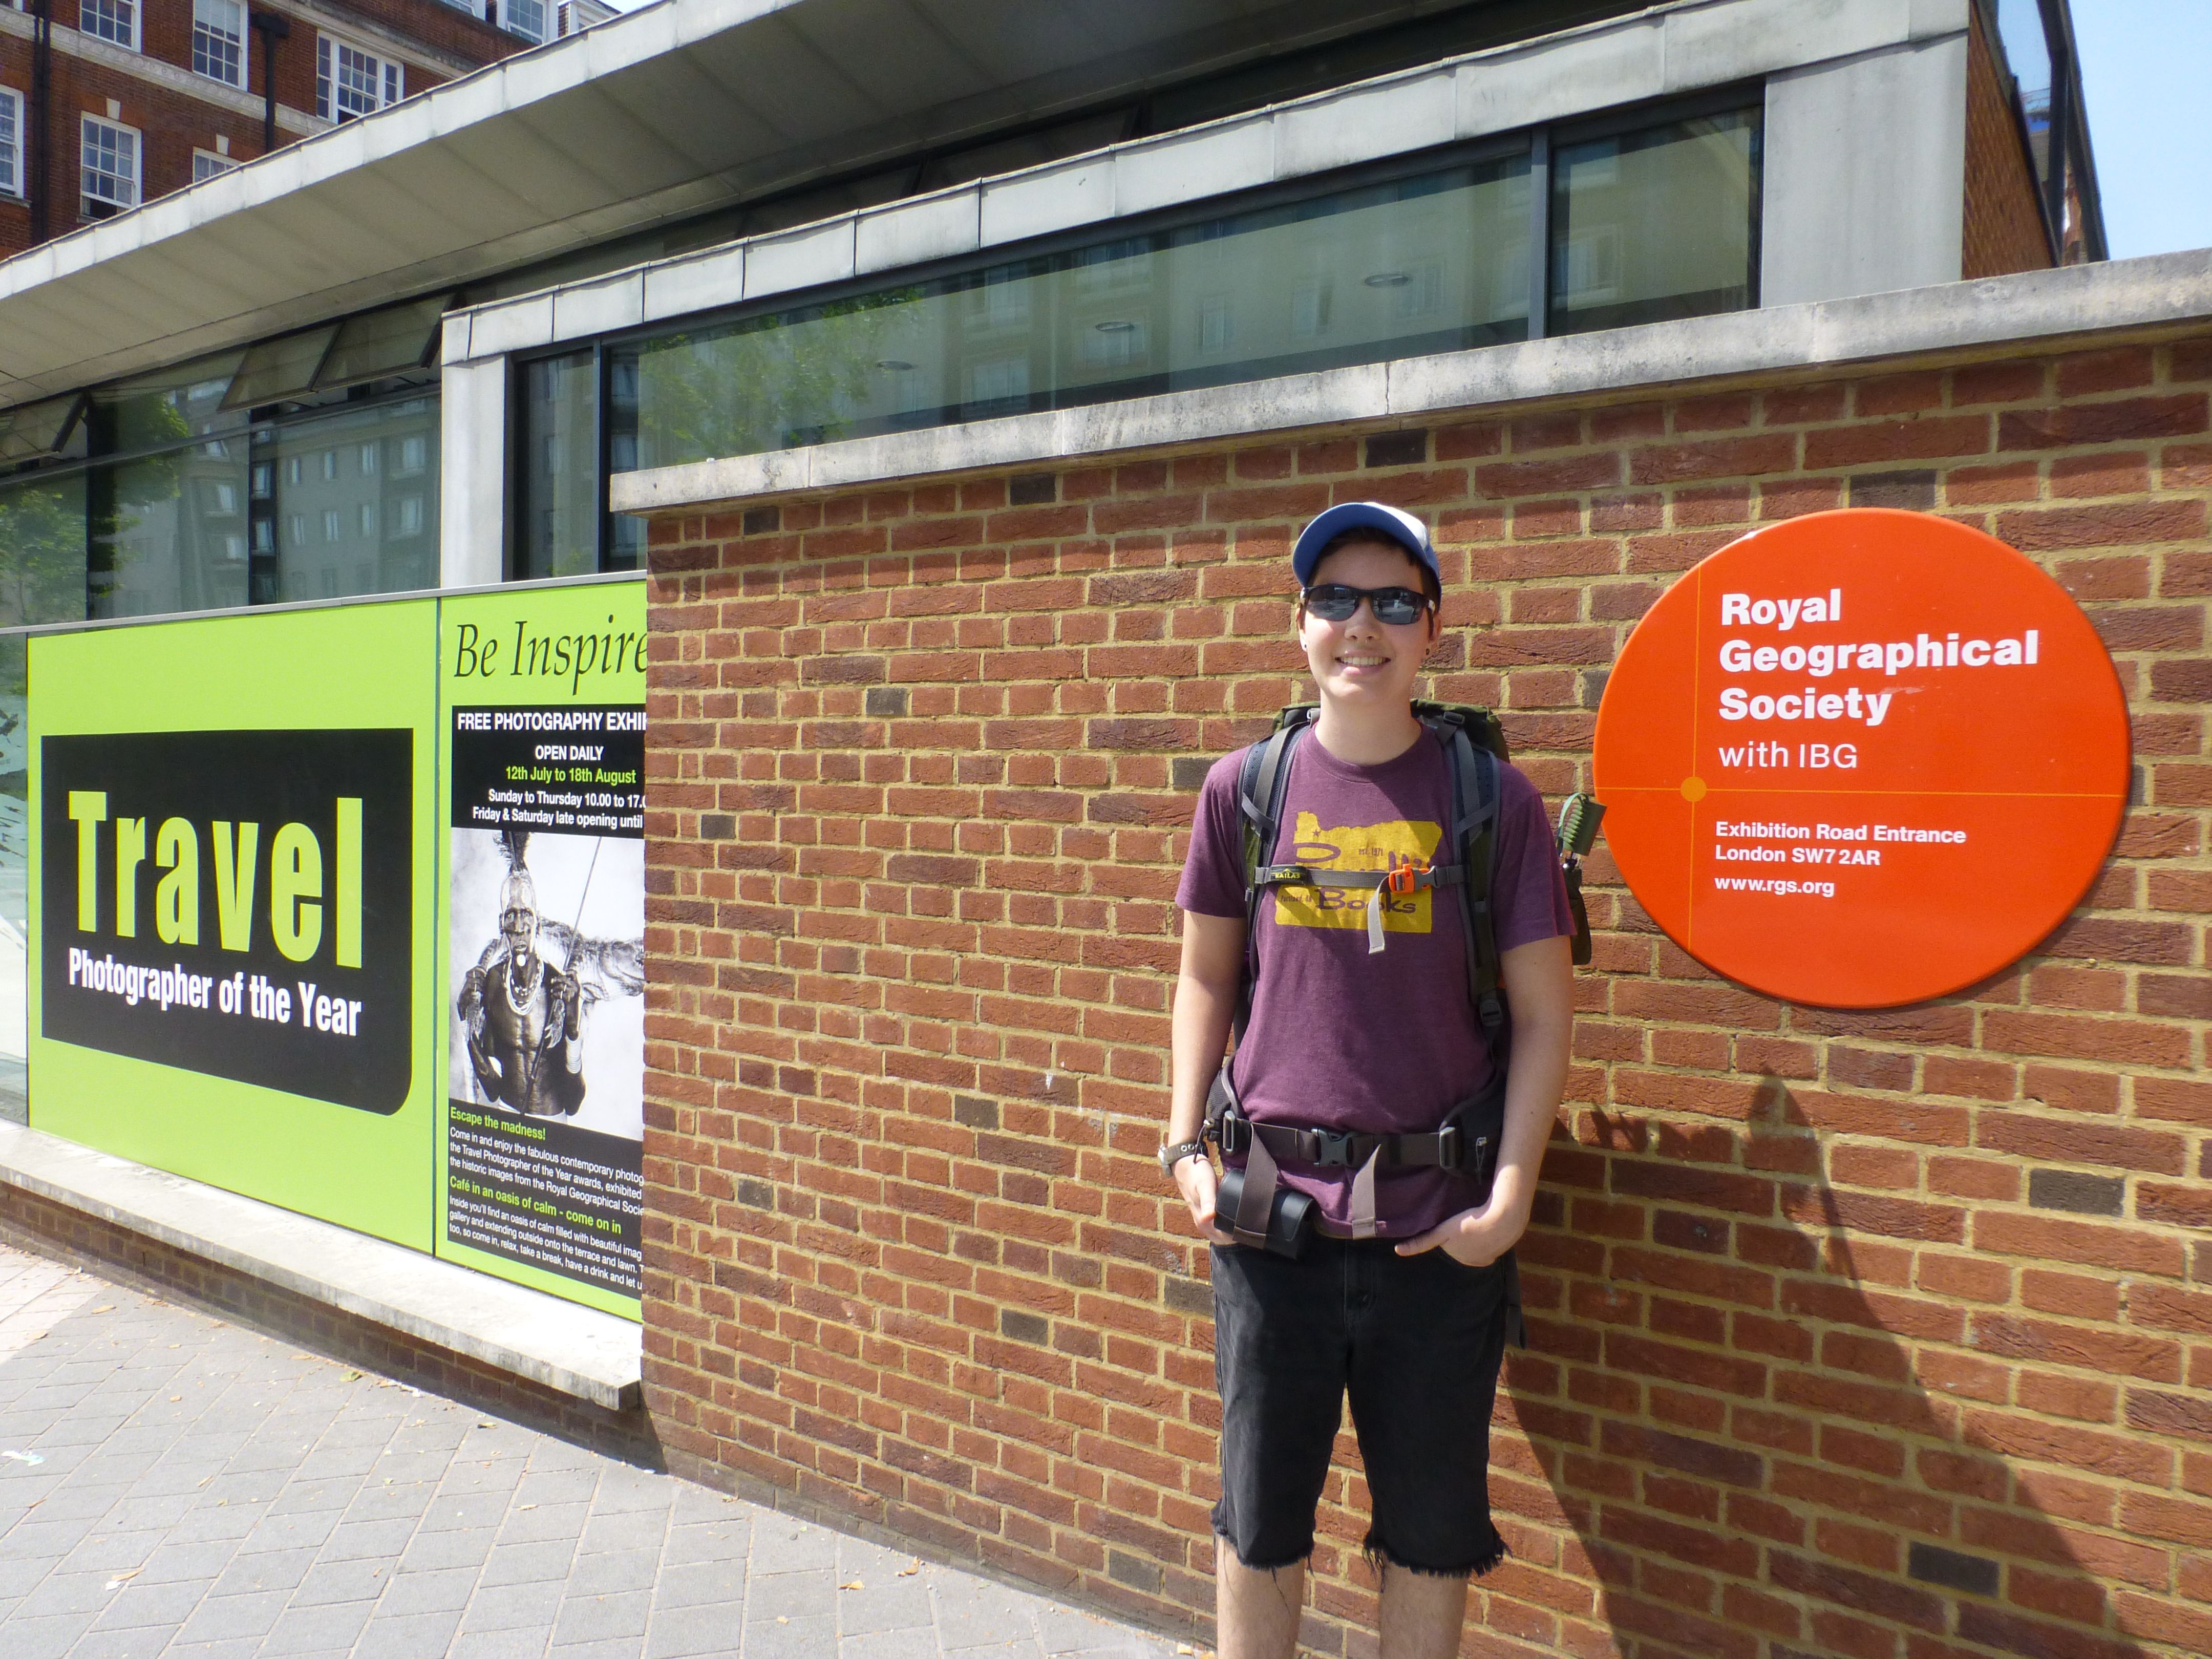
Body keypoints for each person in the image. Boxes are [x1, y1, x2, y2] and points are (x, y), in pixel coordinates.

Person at [1162, 502, 1575, 1659]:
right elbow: (1204, 977)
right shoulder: (1243, 788)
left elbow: (1545, 1013)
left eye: (1395, 601)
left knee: (1432, 1537)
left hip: (1436, 1235)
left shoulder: (1494, 801)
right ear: (1298, 622)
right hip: (1269, 1223)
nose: (1363, 625)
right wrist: (1184, 1147)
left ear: (1432, 627)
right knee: (1258, 1526)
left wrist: (1508, 1201)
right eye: (1335, 598)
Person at [459, 864, 587, 1117]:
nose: (519, 926)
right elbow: (492, 1089)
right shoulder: (492, 984)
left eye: (526, 913)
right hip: (506, 1119)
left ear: (538, 923)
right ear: (501, 924)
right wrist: (465, 1020)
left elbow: (574, 1103)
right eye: (511, 914)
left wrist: (573, 1029)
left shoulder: (559, 988)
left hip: (551, 1125)